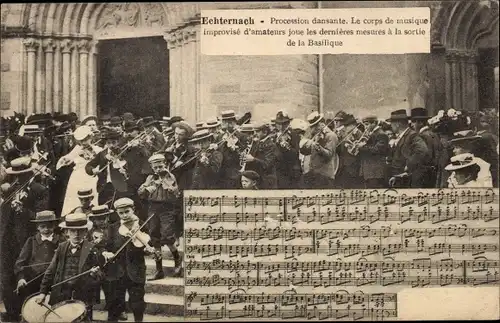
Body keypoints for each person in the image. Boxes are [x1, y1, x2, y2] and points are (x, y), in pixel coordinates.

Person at [35, 213, 103, 321]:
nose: (76, 234)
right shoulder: (61, 247)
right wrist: (43, 293)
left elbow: (100, 275)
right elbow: (50, 271)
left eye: (80, 231)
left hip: (83, 296)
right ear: (67, 232)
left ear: (86, 231)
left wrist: (94, 274)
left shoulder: (92, 249)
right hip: (61, 294)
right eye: (72, 231)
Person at [103, 198, 156, 322]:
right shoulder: (113, 228)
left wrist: (147, 249)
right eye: (121, 213)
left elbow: (148, 243)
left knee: (137, 304)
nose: (124, 215)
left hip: (136, 271)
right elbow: (105, 246)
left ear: (133, 210)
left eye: (127, 211)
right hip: (117, 272)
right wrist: (107, 253)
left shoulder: (142, 225)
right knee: (115, 304)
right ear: (117, 213)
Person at [138, 154, 183, 279]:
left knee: (167, 236)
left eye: (160, 166)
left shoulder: (170, 176)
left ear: (165, 165)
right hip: (153, 208)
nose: (158, 169)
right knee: (154, 237)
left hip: (166, 209)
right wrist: (146, 189)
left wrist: (168, 186)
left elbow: (176, 193)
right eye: (155, 167)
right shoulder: (150, 178)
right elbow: (140, 193)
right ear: (152, 167)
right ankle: (159, 270)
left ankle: (177, 260)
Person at [14, 211, 64, 318]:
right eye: (43, 226)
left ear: (54, 225)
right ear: (37, 227)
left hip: (54, 282)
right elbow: (20, 263)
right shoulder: (31, 241)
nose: (46, 229)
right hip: (33, 283)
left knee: (54, 312)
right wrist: (21, 278)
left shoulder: (61, 241)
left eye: (49, 226)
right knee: (33, 311)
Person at [57, 125, 103, 216]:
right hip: (78, 177)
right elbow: (69, 158)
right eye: (81, 141)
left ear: (91, 137)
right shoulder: (77, 149)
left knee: (92, 198)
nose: (84, 142)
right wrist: (65, 159)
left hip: (91, 177)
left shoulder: (98, 150)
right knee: (75, 201)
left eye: (86, 139)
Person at [387, 109, 429, 188]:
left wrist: (409, 165)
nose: (390, 126)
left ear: (397, 124)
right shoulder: (404, 136)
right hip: (400, 177)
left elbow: (422, 150)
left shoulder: (411, 135)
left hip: (408, 178)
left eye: (391, 123)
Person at [299, 112, 339, 188]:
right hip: (313, 173)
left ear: (321, 124)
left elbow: (329, 155)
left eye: (315, 126)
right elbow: (305, 152)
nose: (313, 129)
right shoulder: (315, 135)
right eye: (312, 127)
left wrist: (319, 148)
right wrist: (307, 144)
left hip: (325, 175)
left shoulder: (331, 136)